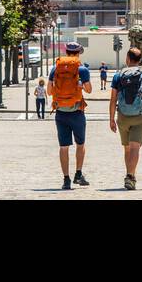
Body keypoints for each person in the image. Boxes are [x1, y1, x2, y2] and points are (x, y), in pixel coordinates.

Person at [108, 47, 142, 190]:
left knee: (127, 149)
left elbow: (113, 99)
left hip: (123, 116)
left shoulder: (118, 76)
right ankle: (130, 176)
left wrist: (111, 118)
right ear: (140, 60)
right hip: (139, 116)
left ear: (127, 59)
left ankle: (130, 175)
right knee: (135, 147)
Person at [48, 41, 93, 190]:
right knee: (80, 144)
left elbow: (49, 91)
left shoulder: (56, 68)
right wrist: (79, 86)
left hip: (61, 113)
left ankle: (66, 179)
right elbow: (89, 90)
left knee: (63, 147)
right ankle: (78, 174)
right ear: (78, 53)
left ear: (66, 52)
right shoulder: (82, 69)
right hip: (77, 112)